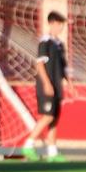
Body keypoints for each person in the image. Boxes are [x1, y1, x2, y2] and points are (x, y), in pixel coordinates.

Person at [21, 10, 73, 162]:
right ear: (51, 24)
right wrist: (46, 83)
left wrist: (69, 82)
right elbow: (39, 64)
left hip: (57, 86)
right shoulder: (45, 42)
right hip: (47, 86)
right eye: (59, 24)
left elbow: (63, 66)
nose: (61, 27)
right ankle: (28, 145)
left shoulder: (59, 44)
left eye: (62, 24)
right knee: (48, 116)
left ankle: (52, 153)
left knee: (54, 118)